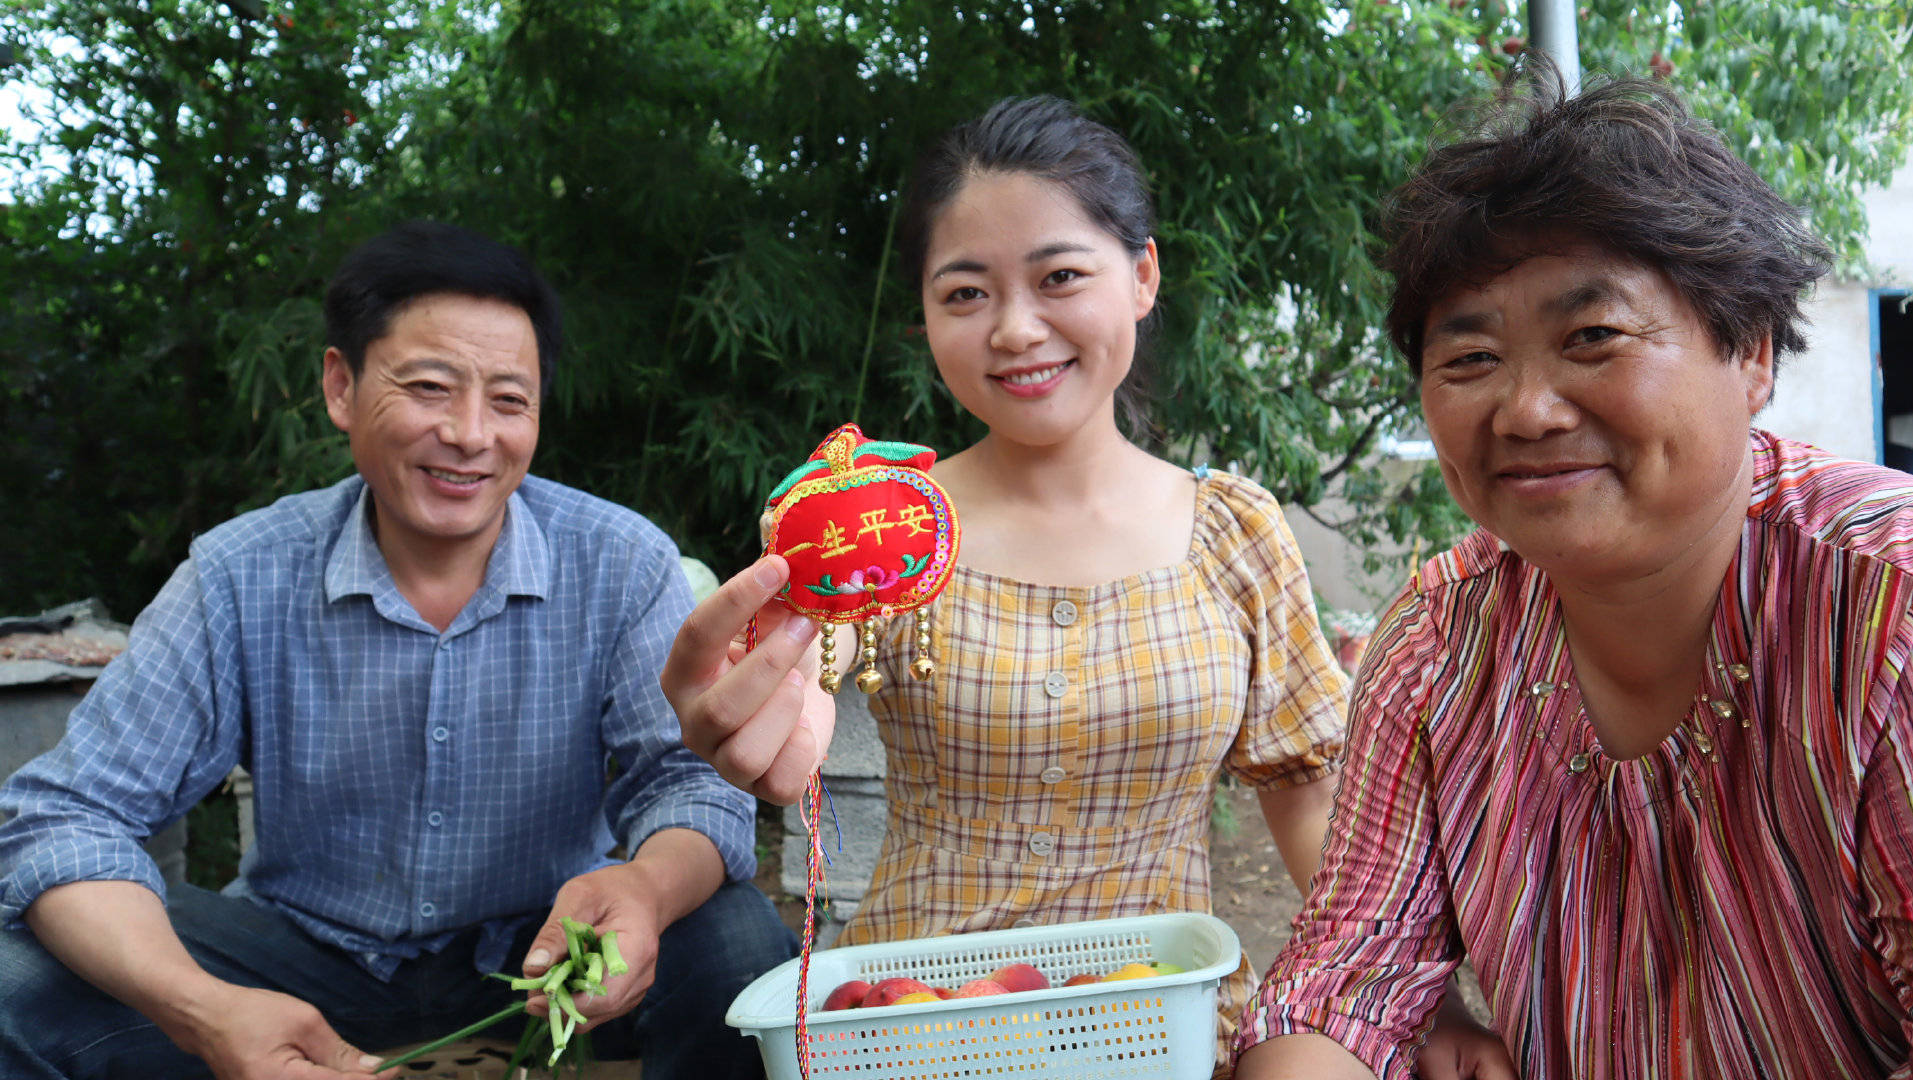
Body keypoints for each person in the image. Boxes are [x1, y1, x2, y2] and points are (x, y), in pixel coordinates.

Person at [661, 96, 1504, 1075]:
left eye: (1059, 276)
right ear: (924, 315)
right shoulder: (885, 527)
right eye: (965, 293)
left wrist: (1415, 995)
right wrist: (772, 715)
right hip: (917, 1028)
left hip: (1163, 1033)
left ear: (1142, 276)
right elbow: (810, 662)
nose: (1015, 329)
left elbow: (1310, 796)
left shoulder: (1231, 532)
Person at [1233, 67, 1913, 1079]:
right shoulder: (1433, 649)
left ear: (1751, 355)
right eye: (1468, 360)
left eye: (1590, 338)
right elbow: (1345, 977)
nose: (1526, 412)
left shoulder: (1881, 610)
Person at [0, 221, 791, 1080]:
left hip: (549, 957)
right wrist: (201, 1009)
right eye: (428, 387)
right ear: (342, 387)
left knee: (740, 944)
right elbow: (69, 817)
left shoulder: (622, 562)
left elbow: (685, 787)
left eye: (509, 400)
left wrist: (640, 892)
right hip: (296, 954)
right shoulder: (239, 573)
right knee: (17, 976)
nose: (468, 433)